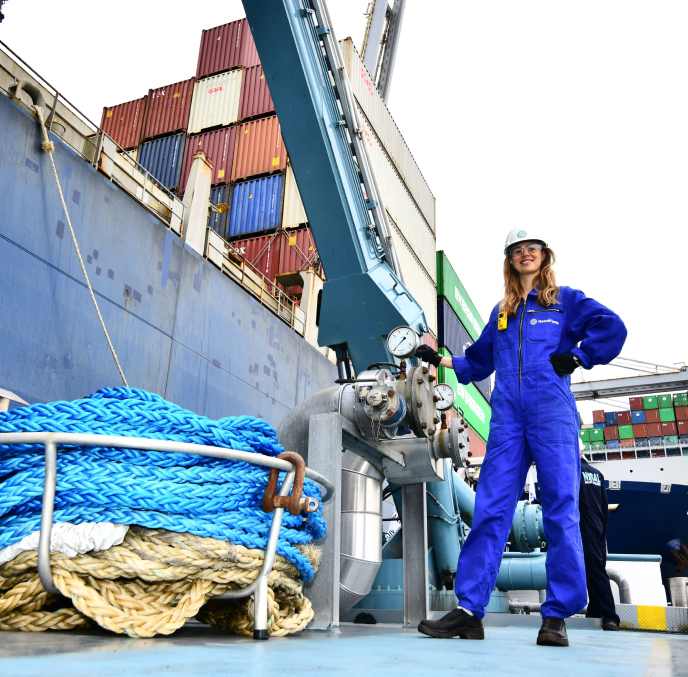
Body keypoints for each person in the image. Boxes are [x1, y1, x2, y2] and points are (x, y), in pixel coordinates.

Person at [414, 229, 627, 646]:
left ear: (544, 255)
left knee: (561, 511)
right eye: (517, 250)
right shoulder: (502, 313)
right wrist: (439, 358)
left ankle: (556, 616)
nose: (525, 254)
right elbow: (478, 361)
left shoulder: (567, 300)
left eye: (532, 248)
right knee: (491, 509)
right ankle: (469, 611)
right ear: (510, 260)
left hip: (552, 417)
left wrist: (581, 355)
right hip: (508, 420)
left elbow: (613, 327)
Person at [579, 444, 621, 631]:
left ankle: (611, 616)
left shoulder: (572, 471)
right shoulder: (597, 474)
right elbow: (604, 507)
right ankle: (595, 612)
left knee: (594, 571)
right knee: (595, 568)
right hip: (597, 527)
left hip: (582, 526)